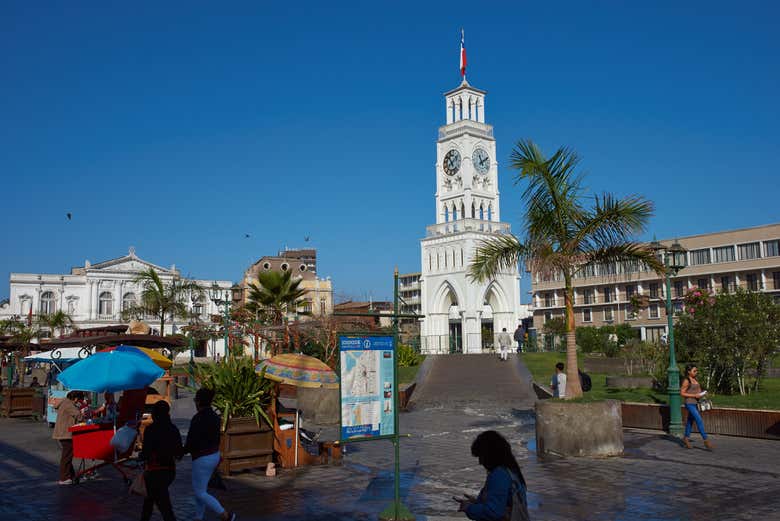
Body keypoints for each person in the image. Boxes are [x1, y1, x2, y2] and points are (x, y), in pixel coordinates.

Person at [185, 388, 236, 521]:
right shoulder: (215, 417)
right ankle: (198, 517)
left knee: (199, 492)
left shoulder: (197, 418)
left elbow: (191, 441)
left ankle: (225, 514)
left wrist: (180, 452)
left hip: (201, 458)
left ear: (199, 402)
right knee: (201, 489)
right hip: (214, 455)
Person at [455, 430, 529, 521]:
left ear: (490, 455)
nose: (480, 462)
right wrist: (477, 502)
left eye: (481, 456)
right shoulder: (511, 471)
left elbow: (494, 512)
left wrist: (469, 508)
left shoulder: (499, 475)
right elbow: (503, 504)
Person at [140, 400, 183, 521]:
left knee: (163, 506)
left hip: (154, 471)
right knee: (150, 501)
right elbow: (179, 453)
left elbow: (146, 453)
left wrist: (140, 457)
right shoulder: (173, 429)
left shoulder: (151, 429)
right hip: (169, 471)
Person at [52, 390, 83, 485]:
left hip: (61, 432)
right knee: (67, 456)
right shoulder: (69, 405)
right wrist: (83, 411)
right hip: (66, 434)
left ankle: (71, 476)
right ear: (76, 398)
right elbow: (79, 416)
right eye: (79, 400)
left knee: (67, 455)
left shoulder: (65, 402)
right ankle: (64, 478)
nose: (79, 402)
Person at [680, 364, 713, 450]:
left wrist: (703, 393)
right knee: (699, 419)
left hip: (696, 403)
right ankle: (706, 440)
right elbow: (682, 393)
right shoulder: (687, 381)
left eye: (696, 371)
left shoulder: (695, 379)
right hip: (689, 403)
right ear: (688, 372)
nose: (696, 372)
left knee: (690, 421)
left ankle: (686, 438)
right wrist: (694, 395)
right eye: (694, 371)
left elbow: (698, 391)